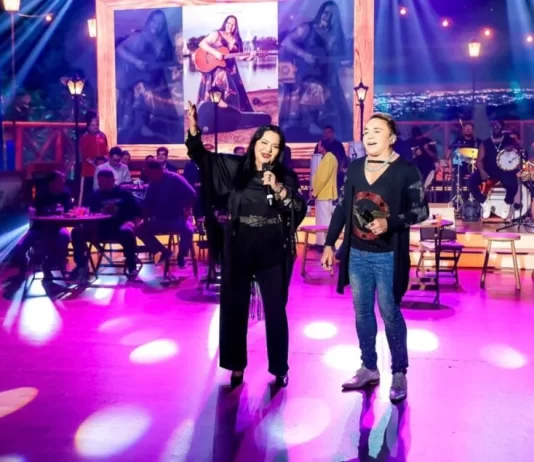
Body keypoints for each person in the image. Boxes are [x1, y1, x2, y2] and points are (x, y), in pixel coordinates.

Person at [185, 101, 306, 387]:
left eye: (274, 146)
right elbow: (200, 156)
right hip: (238, 245)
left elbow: (297, 207)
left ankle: (279, 367)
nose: (268, 149)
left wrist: (277, 188)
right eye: (264, 143)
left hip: (272, 249)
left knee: (276, 310)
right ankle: (235, 365)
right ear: (254, 144)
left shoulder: (285, 176)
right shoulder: (234, 168)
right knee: (233, 307)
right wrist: (193, 127)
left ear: (279, 151)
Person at [321, 113, 429, 403]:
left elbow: (421, 211)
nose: (369, 135)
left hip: (388, 256)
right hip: (357, 254)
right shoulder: (356, 167)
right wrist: (330, 243)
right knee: (362, 313)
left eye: (377, 131)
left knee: (390, 312)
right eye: (367, 130)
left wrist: (390, 222)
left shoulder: (406, 170)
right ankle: (369, 367)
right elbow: (343, 206)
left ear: (391, 138)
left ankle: (399, 372)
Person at [71, 169, 142, 280]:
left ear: (112, 180)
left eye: (102, 181)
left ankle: (131, 265)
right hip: (98, 228)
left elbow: (137, 213)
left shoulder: (124, 194)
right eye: (99, 181)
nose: (100, 184)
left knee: (127, 232)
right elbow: (86, 211)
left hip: (118, 227)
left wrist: (132, 223)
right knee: (76, 232)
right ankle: (81, 266)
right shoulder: (95, 195)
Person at [136, 160, 196, 268]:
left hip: (177, 218)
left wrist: (187, 209)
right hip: (158, 220)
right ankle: (164, 251)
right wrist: (144, 220)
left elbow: (192, 194)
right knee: (139, 229)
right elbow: (147, 204)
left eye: (148, 172)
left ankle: (181, 256)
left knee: (188, 230)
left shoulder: (175, 178)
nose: (147, 175)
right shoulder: (153, 184)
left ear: (156, 170)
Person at [12, 171, 72, 277]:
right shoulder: (41, 194)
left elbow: (69, 210)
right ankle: (24, 265)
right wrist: (49, 210)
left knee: (64, 238)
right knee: (20, 247)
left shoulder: (65, 194)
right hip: (39, 228)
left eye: (63, 181)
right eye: (60, 181)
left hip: (57, 227)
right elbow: (35, 213)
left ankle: (48, 264)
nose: (63, 183)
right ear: (51, 183)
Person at [197, 15, 256, 110]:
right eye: (228, 23)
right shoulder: (216, 34)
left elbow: (240, 56)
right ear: (225, 23)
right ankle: (218, 100)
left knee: (236, 94)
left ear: (236, 27)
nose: (230, 26)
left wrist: (250, 57)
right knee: (222, 73)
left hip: (231, 69)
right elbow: (202, 44)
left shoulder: (237, 39)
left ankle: (231, 112)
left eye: (233, 25)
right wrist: (215, 53)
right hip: (214, 67)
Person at [468, 120, 519, 219]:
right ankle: (484, 202)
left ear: (502, 128)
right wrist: (482, 171)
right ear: (491, 128)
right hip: (489, 170)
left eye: (498, 126)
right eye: (494, 126)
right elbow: (479, 160)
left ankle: (507, 203)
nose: (496, 127)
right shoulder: (485, 143)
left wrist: (513, 147)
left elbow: (518, 153)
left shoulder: (509, 140)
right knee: (471, 181)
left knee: (513, 184)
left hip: (505, 170)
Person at [312, 139, 338, 246]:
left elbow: (322, 178)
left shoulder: (329, 158)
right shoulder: (327, 157)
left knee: (325, 221)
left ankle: (326, 244)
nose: (317, 147)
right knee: (321, 220)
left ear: (323, 147)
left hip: (324, 194)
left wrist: (314, 192)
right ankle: (321, 242)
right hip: (322, 194)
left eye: (319, 145)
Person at [79, 111, 108, 205]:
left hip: (101, 170)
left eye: (97, 124)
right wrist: (94, 163)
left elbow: (106, 152)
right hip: (89, 171)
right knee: (87, 194)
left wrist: (104, 162)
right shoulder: (85, 137)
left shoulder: (102, 136)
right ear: (88, 125)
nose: (95, 127)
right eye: (93, 125)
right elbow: (84, 154)